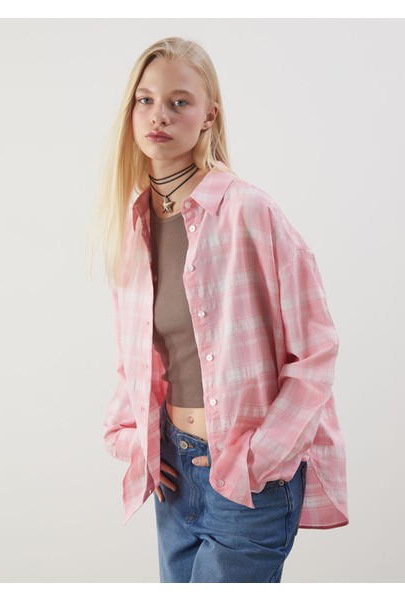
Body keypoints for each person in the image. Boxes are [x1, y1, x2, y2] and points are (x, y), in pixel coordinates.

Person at [94, 36, 349, 583]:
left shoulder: (248, 211)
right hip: (174, 472)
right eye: (145, 100)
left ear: (209, 115)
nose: (159, 115)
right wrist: (135, 439)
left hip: (247, 479)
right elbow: (135, 362)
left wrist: (259, 457)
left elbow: (316, 352)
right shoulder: (133, 227)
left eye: (179, 101)